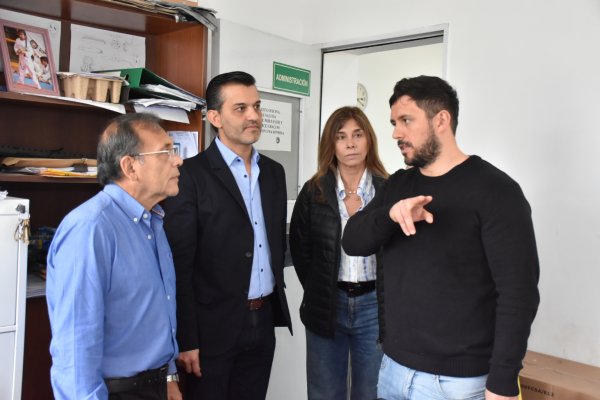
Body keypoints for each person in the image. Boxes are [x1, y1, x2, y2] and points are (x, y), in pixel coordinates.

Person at [342, 76, 540, 400]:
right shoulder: (398, 186)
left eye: (406, 120)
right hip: (392, 368)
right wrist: (391, 214)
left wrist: (502, 383)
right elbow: (353, 241)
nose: (395, 133)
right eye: (394, 122)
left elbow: (518, 295)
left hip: (457, 385)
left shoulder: (497, 192)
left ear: (441, 120)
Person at [163, 71, 292, 400]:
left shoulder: (274, 173)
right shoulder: (190, 176)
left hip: (262, 321)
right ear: (215, 117)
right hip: (211, 328)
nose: (254, 116)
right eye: (241, 108)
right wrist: (186, 338)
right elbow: (180, 265)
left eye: (257, 106)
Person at [46, 113, 183, 400]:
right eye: (166, 152)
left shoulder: (153, 220)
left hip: (156, 385)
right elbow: (75, 346)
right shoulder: (91, 228)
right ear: (130, 166)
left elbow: (156, 314)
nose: (178, 160)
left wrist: (168, 375)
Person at [289, 106, 388, 400]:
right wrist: (322, 287)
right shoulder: (313, 191)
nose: (351, 144)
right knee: (324, 392)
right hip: (327, 303)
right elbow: (300, 249)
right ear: (331, 145)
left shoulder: (390, 189)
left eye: (358, 135)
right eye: (341, 137)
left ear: (368, 139)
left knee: (371, 393)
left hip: (374, 307)